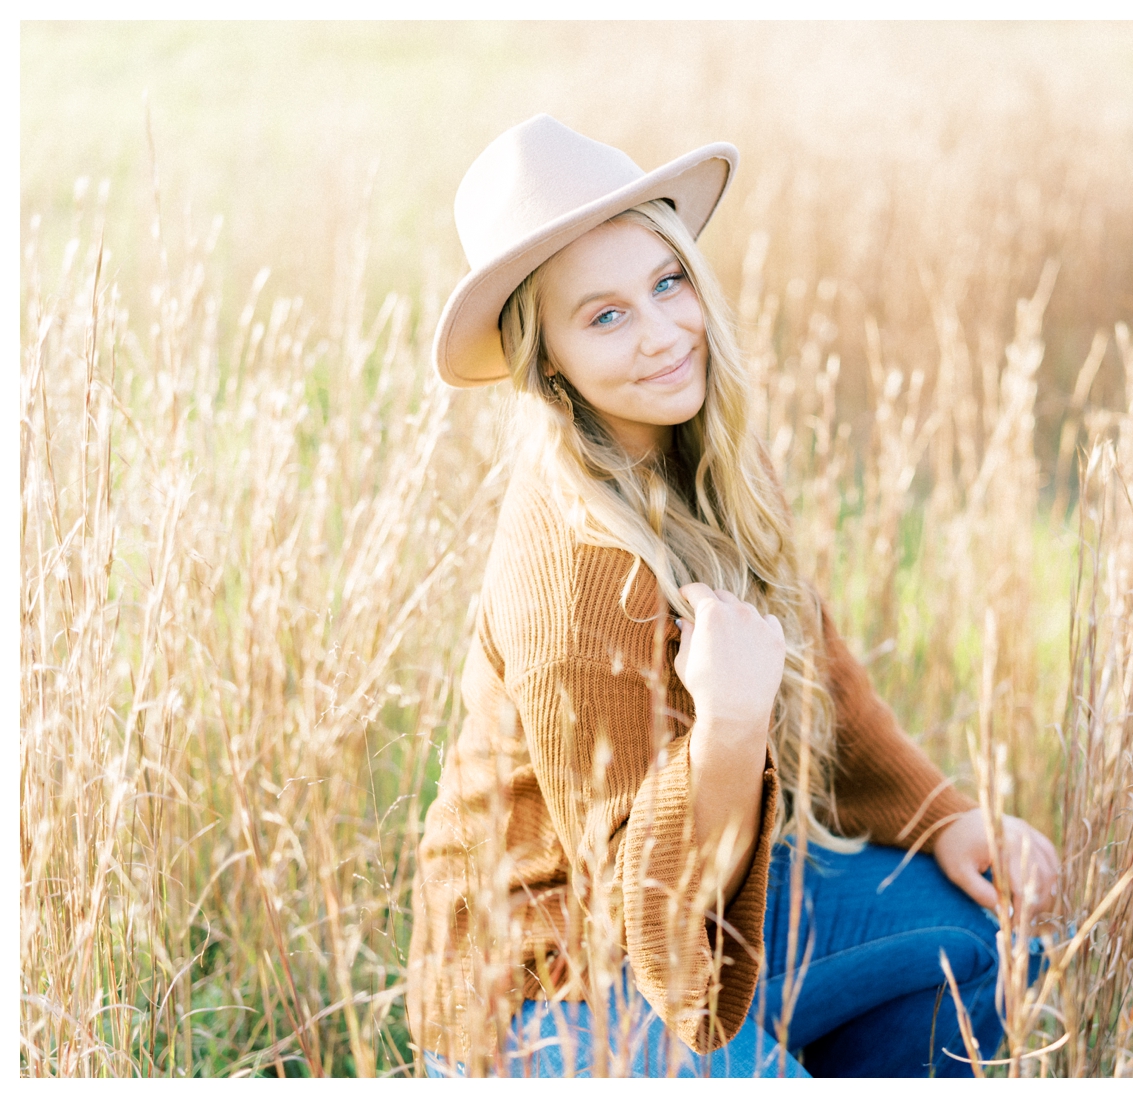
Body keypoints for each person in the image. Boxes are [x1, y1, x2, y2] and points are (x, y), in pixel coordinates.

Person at [407, 114, 1059, 1078]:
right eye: (606, 315)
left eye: (667, 283)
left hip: (704, 892)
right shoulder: (572, 568)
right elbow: (641, 906)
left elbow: (824, 673)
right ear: (546, 362)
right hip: (554, 978)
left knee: (992, 940)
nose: (665, 333)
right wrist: (732, 722)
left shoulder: (701, 453)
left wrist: (942, 816)